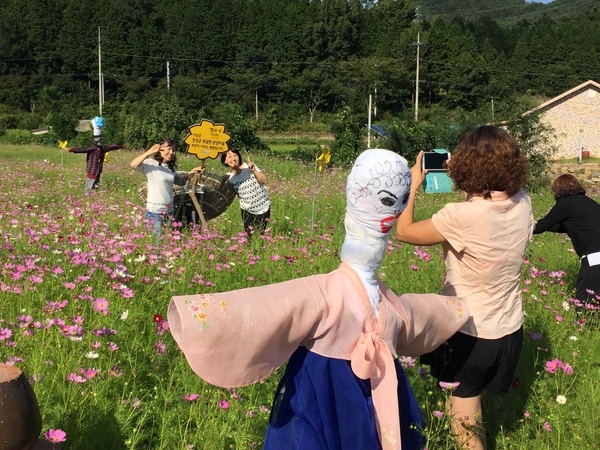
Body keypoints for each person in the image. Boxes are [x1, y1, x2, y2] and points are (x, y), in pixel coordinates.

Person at [168, 149, 470, 450]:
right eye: (391, 202)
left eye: (397, 201)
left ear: (352, 197)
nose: (391, 213)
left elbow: (257, 312)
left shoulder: (328, 295)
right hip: (363, 386)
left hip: (323, 389)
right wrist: (460, 307)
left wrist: (199, 316)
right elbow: (418, 318)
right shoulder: (383, 305)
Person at [395, 126, 533, 450]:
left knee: (464, 426)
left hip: (471, 333)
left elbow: (404, 232)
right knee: (470, 407)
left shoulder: (460, 216)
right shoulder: (523, 202)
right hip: (509, 330)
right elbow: (486, 207)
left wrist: (411, 186)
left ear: (466, 167)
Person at [533, 174, 600, 304]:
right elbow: (564, 226)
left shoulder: (565, 204)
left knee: (583, 302)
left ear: (559, 190)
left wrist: (528, 225)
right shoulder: (589, 203)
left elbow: (541, 226)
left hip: (593, 258)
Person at [130, 139, 203, 242]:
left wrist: (192, 172)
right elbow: (133, 164)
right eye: (168, 149)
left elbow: (181, 182)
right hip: (155, 210)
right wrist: (149, 152)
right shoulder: (150, 164)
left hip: (169, 210)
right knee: (156, 242)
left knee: (166, 240)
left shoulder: (170, 168)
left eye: (173, 150)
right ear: (160, 150)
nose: (171, 153)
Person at [221, 147, 271, 238]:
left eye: (235, 155)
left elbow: (264, 181)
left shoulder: (249, 167)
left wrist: (254, 170)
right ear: (225, 161)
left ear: (239, 157)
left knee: (259, 235)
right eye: (229, 157)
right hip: (246, 210)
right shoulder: (229, 178)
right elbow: (223, 195)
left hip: (263, 206)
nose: (233, 158)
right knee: (248, 237)